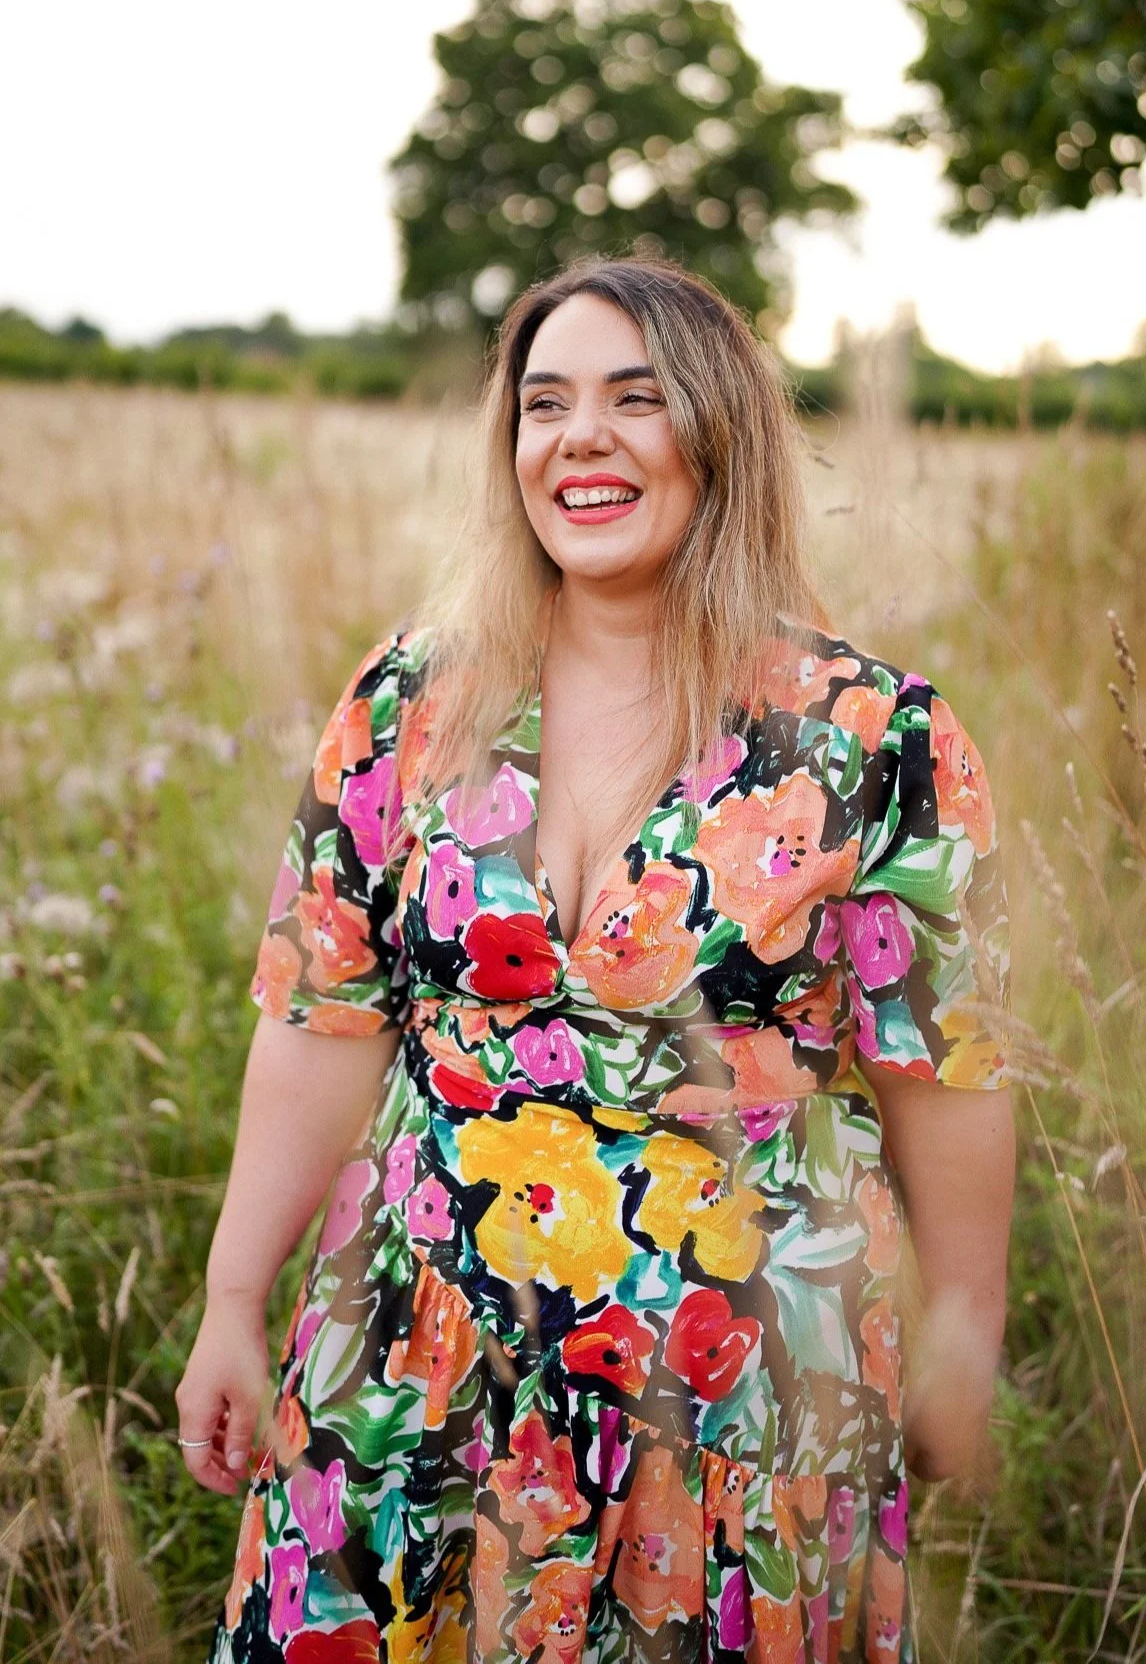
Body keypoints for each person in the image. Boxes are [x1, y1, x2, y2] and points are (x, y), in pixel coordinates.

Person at [180, 255, 1015, 1664]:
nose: (581, 438)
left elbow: (950, 1073)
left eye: (636, 399)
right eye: (544, 402)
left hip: (737, 1396)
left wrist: (963, 1337)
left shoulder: (877, 740)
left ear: (719, 430)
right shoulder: (413, 701)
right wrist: (232, 1298)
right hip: (408, 1362)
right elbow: (325, 1017)